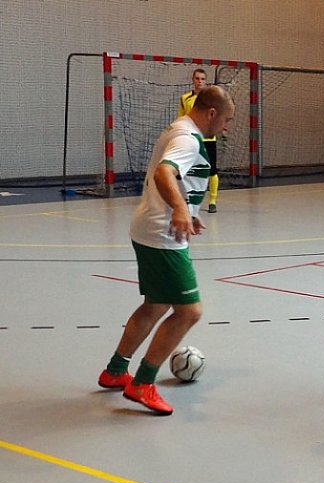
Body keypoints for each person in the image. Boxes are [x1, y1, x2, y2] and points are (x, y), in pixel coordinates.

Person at [98, 86, 235, 415]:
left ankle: (115, 371)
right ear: (211, 113)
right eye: (226, 120)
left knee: (156, 305)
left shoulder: (180, 129)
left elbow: (178, 179)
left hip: (150, 228)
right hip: (162, 236)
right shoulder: (188, 139)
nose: (226, 128)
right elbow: (164, 172)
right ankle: (142, 383)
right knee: (189, 312)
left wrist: (189, 211)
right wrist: (179, 209)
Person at [178, 68, 220, 213]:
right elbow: (182, 119)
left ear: (205, 81)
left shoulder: (212, 99)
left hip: (208, 139)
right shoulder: (185, 98)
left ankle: (212, 201)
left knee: (212, 171)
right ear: (193, 80)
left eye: (202, 79)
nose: (199, 81)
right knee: (189, 170)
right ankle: (189, 199)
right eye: (197, 78)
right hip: (192, 140)